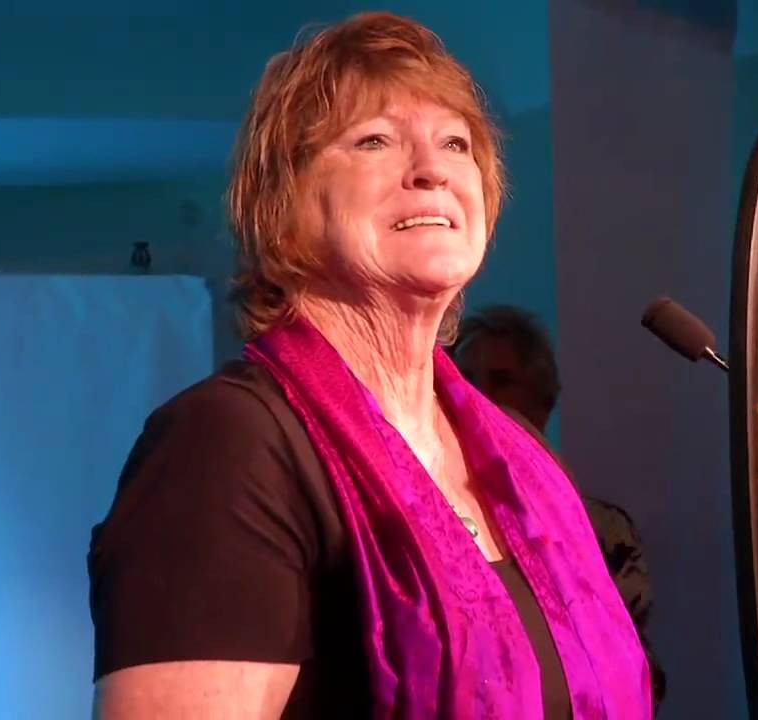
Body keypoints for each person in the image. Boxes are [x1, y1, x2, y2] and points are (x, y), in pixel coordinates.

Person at [86, 11, 650, 720]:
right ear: (284, 203)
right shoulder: (226, 445)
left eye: (455, 143)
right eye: (375, 140)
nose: (433, 169)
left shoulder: (520, 456)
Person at [450, 305, 668, 713]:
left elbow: (635, 671)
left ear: (542, 401)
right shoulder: (431, 514)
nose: (476, 394)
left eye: (501, 380)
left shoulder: (601, 530)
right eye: (465, 379)